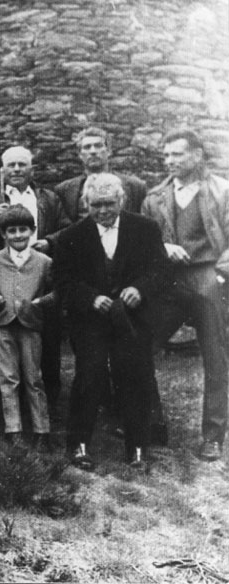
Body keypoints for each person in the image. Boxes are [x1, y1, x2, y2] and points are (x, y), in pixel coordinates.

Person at [54, 173, 166, 470]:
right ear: (85, 203)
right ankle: (79, 444)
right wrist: (90, 298)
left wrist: (139, 289)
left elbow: (161, 271)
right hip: (91, 320)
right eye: (95, 205)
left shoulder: (145, 229)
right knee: (89, 374)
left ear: (122, 201)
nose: (103, 211)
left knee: (135, 375)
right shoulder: (71, 237)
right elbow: (63, 282)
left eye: (109, 204)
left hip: (132, 317)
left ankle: (138, 447)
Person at [142, 128, 229, 462]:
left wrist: (220, 275)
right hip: (166, 280)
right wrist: (163, 247)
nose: (170, 161)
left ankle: (213, 435)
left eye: (177, 154)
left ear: (197, 155)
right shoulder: (154, 197)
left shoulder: (220, 191)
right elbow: (142, 242)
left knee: (215, 356)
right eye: (166, 155)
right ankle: (153, 423)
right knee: (142, 344)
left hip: (208, 275)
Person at [0, 146, 72, 404]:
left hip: (40, 277)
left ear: (32, 169)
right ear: (3, 170)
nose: (17, 169)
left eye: (22, 164)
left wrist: (49, 242)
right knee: (6, 338)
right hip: (4, 278)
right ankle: (9, 400)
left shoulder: (48, 199)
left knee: (46, 337)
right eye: (11, 165)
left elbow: (67, 229)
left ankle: (49, 396)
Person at [0, 205, 54, 450]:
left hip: (31, 324)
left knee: (33, 377)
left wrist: (40, 302)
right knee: (8, 377)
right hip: (3, 324)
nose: (18, 235)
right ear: (3, 234)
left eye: (23, 230)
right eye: (12, 231)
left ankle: (42, 431)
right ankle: (14, 429)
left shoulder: (44, 262)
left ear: (32, 231)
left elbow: (58, 292)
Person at [54, 127, 147, 221]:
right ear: (80, 155)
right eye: (87, 147)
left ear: (109, 151)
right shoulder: (64, 191)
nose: (93, 151)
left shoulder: (135, 187)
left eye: (98, 145)